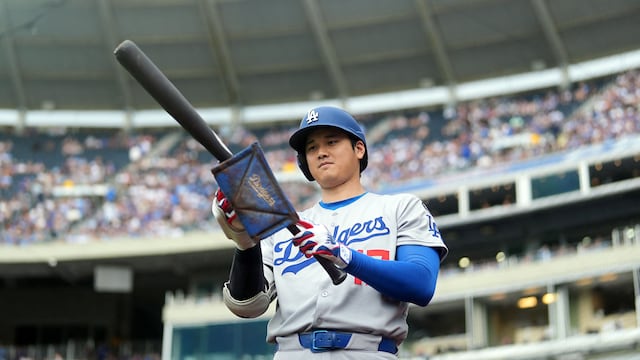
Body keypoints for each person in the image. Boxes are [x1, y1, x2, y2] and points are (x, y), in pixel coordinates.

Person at [213, 105, 448, 359]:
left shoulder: (399, 207)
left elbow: (421, 284)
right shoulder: (283, 226)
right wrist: (244, 242)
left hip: (367, 351)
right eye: (312, 148)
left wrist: (344, 255)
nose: (321, 152)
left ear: (359, 149)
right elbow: (247, 306)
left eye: (332, 142)